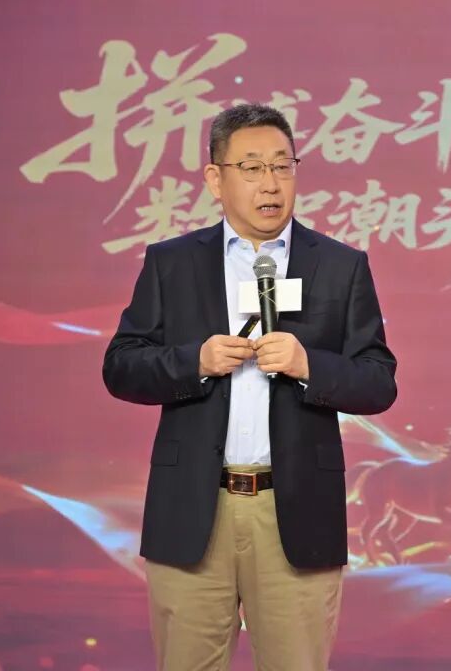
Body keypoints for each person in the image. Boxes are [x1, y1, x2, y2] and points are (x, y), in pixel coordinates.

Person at [103, 104, 397, 671]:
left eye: (283, 166)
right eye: (252, 167)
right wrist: (195, 361)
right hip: (195, 508)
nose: (271, 183)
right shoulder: (171, 264)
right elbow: (121, 366)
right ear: (216, 179)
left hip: (294, 513)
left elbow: (378, 381)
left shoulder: (340, 267)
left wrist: (310, 364)